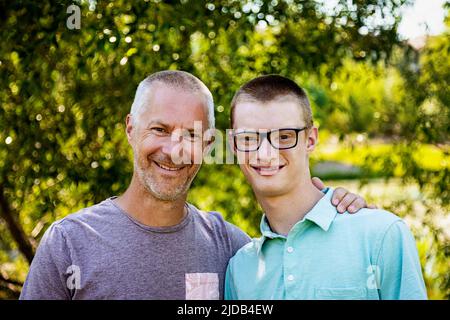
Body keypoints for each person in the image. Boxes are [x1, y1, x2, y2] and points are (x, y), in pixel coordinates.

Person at [20, 71, 372, 300]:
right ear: (130, 129)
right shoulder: (70, 243)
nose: (174, 151)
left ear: (208, 145)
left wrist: (338, 210)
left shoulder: (230, 248)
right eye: (159, 130)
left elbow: (302, 260)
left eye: (191, 135)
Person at [224, 75, 427, 300]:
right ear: (234, 145)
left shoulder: (380, 235)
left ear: (310, 140)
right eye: (249, 139)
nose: (266, 153)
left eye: (284, 136)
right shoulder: (240, 269)